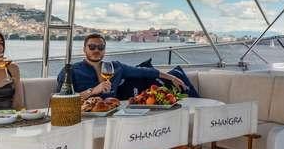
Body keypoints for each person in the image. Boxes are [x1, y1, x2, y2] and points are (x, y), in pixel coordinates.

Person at [57, 33, 187, 100]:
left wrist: (171, 77)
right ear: (84, 49)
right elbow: (61, 101)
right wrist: (92, 91)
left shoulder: (116, 67)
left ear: (104, 50)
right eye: (92, 47)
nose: (96, 50)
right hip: (84, 116)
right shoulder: (71, 71)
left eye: (101, 47)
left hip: (114, 113)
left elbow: (143, 72)